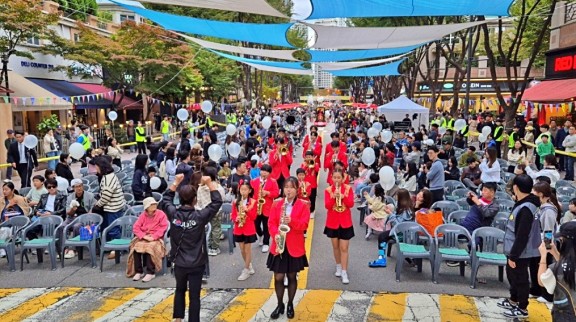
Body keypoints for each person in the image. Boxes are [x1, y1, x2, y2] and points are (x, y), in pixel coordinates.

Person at [161, 173, 222, 322]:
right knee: (194, 296)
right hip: (197, 263)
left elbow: (166, 200)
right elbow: (217, 202)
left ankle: (178, 318)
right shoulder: (200, 216)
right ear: (195, 200)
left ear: (180, 199)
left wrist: (176, 182)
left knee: (179, 290)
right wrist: (210, 184)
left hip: (179, 263)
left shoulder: (173, 214)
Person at [267, 176, 310, 320]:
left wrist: (292, 221)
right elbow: (271, 222)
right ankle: (280, 304)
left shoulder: (304, 205)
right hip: (279, 244)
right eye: (286, 187)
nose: (288, 190)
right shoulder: (277, 203)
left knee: (292, 276)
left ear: (297, 189)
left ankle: (290, 303)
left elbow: (304, 225)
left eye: (291, 187)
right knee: (278, 277)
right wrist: (275, 235)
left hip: (294, 245)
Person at [499, 174, 541, 319]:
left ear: (516, 188)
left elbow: (522, 235)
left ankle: (522, 308)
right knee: (512, 275)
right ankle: (513, 299)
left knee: (521, 279)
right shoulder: (525, 203)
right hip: (516, 250)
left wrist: (514, 255)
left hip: (520, 252)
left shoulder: (526, 208)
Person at [538, 222, 576, 321]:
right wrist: (555, 252)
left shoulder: (555, 268)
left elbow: (542, 281)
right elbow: (568, 266)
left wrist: (543, 256)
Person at [127, 197, 168, 283]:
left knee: (150, 247)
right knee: (135, 247)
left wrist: (154, 237)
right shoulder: (143, 215)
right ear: (147, 207)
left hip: (156, 238)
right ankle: (139, 271)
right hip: (144, 237)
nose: (154, 205)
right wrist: (144, 236)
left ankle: (150, 272)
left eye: (154, 204)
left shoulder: (161, 214)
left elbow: (163, 227)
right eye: (151, 204)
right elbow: (136, 227)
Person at [324, 169, 355, 284]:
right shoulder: (328, 190)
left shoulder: (348, 189)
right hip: (332, 221)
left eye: (339, 178)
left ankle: (344, 271)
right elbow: (327, 206)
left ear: (343, 178)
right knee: (336, 247)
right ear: (331, 178)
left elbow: (351, 204)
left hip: (345, 221)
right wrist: (333, 197)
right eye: (334, 177)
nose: (337, 180)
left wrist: (343, 197)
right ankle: (338, 265)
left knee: (344, 248)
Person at [371, 189, 414, 268]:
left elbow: (399, 226)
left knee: (382, 237)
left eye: (397, 196)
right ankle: (409, 259)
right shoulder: (406, 207)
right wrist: (391, 211)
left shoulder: (405, 211)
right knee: (384, 235)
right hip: (406, 233)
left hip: (402, 234)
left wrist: (390, 214)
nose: (396, 197)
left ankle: (381, 258)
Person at [94, 157, 126, 256]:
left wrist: (97, 204)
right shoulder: (108, 176)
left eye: (97, 167)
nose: (96, 169)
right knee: (112, 228)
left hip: (113, 208)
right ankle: (114, 247)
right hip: (113, 206)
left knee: (114, 229)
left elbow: (106, 196)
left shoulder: (108, 178)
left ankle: (118, 250)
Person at [61, 179, 97, 259]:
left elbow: (94, 207)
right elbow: (68, 213)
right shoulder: (70, 197)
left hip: (84, 218)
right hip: (72, 217)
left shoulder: (90, 195)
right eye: (76, 187)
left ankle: (74, 249)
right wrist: (72, 210)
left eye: (80, 186)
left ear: (82, 186)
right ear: (73, 188)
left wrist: (89, 214)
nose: (79, 188)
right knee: (62, 226)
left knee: (77, 226)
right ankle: (64, 248)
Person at [232, 180, 257, 281]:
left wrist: (246, 210)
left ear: (250, 190)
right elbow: (233, 214)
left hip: (249, 228)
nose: (243, 192)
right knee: (242, 250)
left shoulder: (253, 202)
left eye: (245, 190)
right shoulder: (235, 202)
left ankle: (246, 269)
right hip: (239, 228)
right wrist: (236, 219)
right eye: (242, 189)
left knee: (247, 250)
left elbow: (254, 216)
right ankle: (249, 264)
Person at [251, 164, 280, 253]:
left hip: (267, 207)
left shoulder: (273, 182)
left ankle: (266, 243)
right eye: (263, 170)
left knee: (267, 226)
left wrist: (267, 193)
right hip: (256, 207)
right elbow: (251, 194)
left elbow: (276, 193)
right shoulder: (254, 181)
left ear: (269, 173)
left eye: (266, 171)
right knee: (256, 225)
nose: (264, 173)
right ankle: (260, 234)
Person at [300, 151, 320, 218]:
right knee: (305, 197)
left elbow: (317, 170)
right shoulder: (303, 164)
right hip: (305, 184)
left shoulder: (316, 164)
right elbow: (301, 171)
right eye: (307, 157)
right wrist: (306, 166)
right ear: (305, 158)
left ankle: (312, 210)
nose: (308, 158)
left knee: (312, 198)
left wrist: (313, 164)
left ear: (312, 157)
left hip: (313, 184)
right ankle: (305, 210)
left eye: (310, 157)